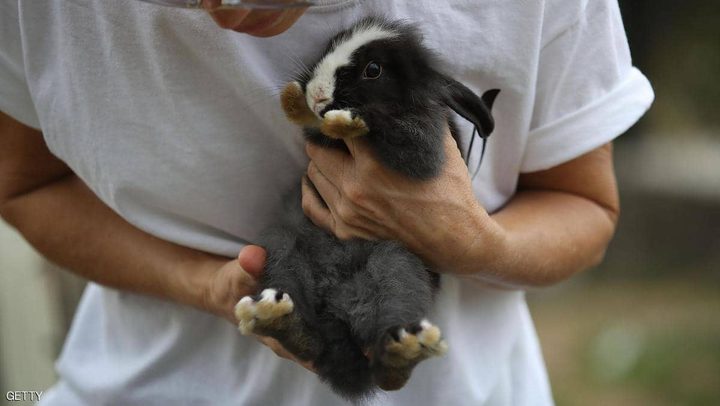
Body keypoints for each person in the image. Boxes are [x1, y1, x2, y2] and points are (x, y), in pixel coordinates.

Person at [0, 0, 653, 404]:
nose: (220, 10)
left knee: (392, 286)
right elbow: (24, 183)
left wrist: (472, 241)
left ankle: (394, 341)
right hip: (143, 387)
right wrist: (206, 286)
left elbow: (585, 207)